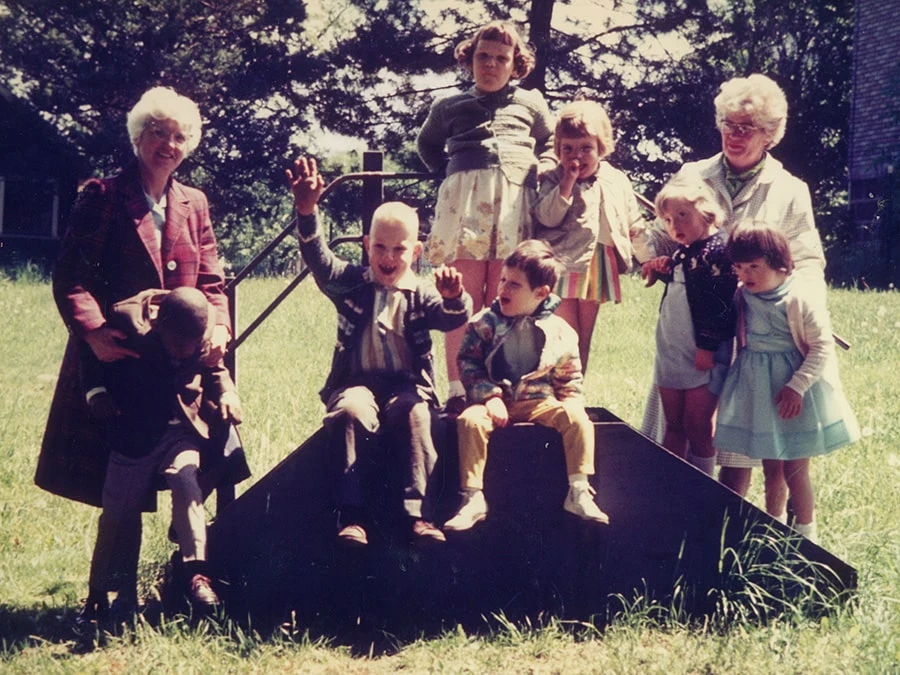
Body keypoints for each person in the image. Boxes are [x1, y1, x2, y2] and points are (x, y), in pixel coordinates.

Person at [35, 86, 239, 621]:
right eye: (158, 133)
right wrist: (95, 332)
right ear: (138, 137)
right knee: (119, 490)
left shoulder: (194, 204)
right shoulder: (103, 196)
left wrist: (218, 325)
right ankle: (113, 599)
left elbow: (213, 281)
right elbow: (72, 277)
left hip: (179, 372)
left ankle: (190, 577)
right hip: (120, 366)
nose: (168, 145)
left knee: (187, 468)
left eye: (178, 136)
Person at [632, 74, 827, 498]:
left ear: (769, 134)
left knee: (737, 437)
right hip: (689, 324)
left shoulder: (791, 190)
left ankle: (724, 515)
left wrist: (798, 306)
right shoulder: (693, 173)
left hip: (753, 326)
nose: (735, 136)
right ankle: (674, 504)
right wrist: (647, 253)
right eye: (728, 124)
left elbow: (807, 260)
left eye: (747, 128)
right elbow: (660, 234)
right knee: (681, 423)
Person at [286, 156, 473, 546]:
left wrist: (456, 297)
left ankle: (418, 516)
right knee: (349, 412)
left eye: (399, 250)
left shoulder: (421, 292)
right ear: (367, 244)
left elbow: (451, 319)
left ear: (416, 251)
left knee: (417, 414)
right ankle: (351, 514)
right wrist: (307, 212)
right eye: (380, 248)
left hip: (407, 384)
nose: (388, 259)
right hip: (357, 382)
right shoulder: (353, 284)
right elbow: (320, 262)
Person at [79, 287, 243, 624]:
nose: (184, 354)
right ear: (158, 326)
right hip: (134, 434)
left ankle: (197, 573)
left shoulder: (201, 331)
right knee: (119, 512)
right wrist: (97, 395)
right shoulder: (128, 324)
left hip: (182, 432)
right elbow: (93, 358)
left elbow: (215, 369)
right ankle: (107, 594)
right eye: (177, 346)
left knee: (187, 481)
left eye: (191, 347)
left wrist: (227, 393)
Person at [417, 20, 556, 413]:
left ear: (516, 64)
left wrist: (542, 166)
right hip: (465, 209)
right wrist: (454, 176)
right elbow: (427, 145)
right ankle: (461, 386)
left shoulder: (532, 103)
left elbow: (548, 143)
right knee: (461, 296)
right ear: (469, 61)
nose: (491, 64)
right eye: (483, 56)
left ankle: (501, 386)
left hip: (513, 207)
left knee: (506, 295)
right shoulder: (449, 106)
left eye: (501, 58)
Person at [443, 239, 609, 532]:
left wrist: (570, 401)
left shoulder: (560, 332)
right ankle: (472, 496)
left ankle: (579, 489)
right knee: (470, 422)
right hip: (495, 402)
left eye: (514, 285)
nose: (503, 288)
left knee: (578, 419)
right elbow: (468, 364)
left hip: (538, 401)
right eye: (503, 280)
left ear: (541, 293)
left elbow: (569, 375)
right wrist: (489, 396)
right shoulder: (484, 323)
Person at [714, 225, 859, 542]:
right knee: (771, 467)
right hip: (758, 388)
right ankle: (774, 530)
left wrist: (797, 386)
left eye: (754, 266)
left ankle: (808, 538)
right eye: (739, 267)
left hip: (791, 393)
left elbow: (822, 346)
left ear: (779, 262)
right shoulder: (744, 296)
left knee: (795, 470)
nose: (746, 274)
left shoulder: (799, 298)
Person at [533, 99, 642, 369]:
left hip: (598, 263)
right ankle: (554, 387)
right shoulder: (552, 178)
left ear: (601, 148)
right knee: (564, 331)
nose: (576, 157)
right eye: (567, 149)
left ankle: (576, 390)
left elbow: (633, 222)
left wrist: (648, 257)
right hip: (564, 262)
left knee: (584, 336)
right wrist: (566, 184)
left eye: (586, 149)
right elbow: (546, 216)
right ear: (558, 149)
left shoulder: (616, 179)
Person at [644, 176, 738, 476]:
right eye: (669, 220)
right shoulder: (684, 251)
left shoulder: (720, 252)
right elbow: (685, 287)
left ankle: (703, 489)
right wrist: (662, 268)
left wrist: (707, 347)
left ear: (706, 212)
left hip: (702, 355)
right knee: (674, 426)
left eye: (682, 215)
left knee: (697, 426)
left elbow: (721, 306)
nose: (675, 225)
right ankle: (673, 489)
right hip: (671, 352)